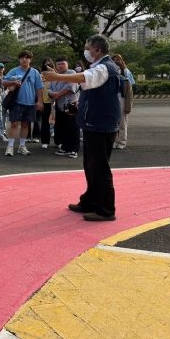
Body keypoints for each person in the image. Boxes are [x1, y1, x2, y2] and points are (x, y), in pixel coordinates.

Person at [41, 34, 121, 221]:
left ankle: (106, 209)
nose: (86, 50)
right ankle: (90, 200)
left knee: (99, 167)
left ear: (97, 50)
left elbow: (86, 78)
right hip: (95, 122)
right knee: (90, 164)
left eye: (88, 47)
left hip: (101, 124)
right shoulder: (101, 66)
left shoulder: (104, 67)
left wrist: (56, 76)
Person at [3, 51, 44, 156]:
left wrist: (39, 101)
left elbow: (39, 88)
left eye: (27, 58)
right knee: (14, 124)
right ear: (19, 59)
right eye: (22, 58)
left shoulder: (35, 72)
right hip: (16, 102)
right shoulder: (14, 71)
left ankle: (22, 146)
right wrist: (13, 82)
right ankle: (10, 146)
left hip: (30, 103)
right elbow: (4, 82)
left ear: (30, 59)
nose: (24, 60)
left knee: (26, 125)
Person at [49, 56, 80, 158]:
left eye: (63, 63)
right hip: (59, 105)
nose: (61, 65)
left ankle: (74, 149)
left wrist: (57, 95)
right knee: (62, 127)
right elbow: (49, 90)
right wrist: (54, 94)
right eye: (58, 64)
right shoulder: (55, 76)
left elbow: (70, 88)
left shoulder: (72, 73)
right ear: (56, 66)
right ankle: (65, 147)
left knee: (73, 127)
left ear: (67, 64)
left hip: (70, 105)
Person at [111, 54, 134, 149]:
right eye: (114, 60)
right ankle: (115, 140)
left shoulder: (126, 72)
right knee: (114, 121)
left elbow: (130, 89)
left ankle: (122, 141)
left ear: (122, 61)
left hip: (122, 98)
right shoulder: (110, 72)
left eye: (118, 60)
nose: (116, 62)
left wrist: (128, 105)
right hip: (112, 99)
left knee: (122, 122)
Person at [36, 58, 55, 147]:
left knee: (57, 122)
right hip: (45, 101)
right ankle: (45, 141)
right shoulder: (41, 75)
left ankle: (59, 141)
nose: (47, 66)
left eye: (49, 64)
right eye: (45, 64)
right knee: (45, 122)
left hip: (56, 101)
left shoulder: (56, 74)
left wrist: (53, 71)